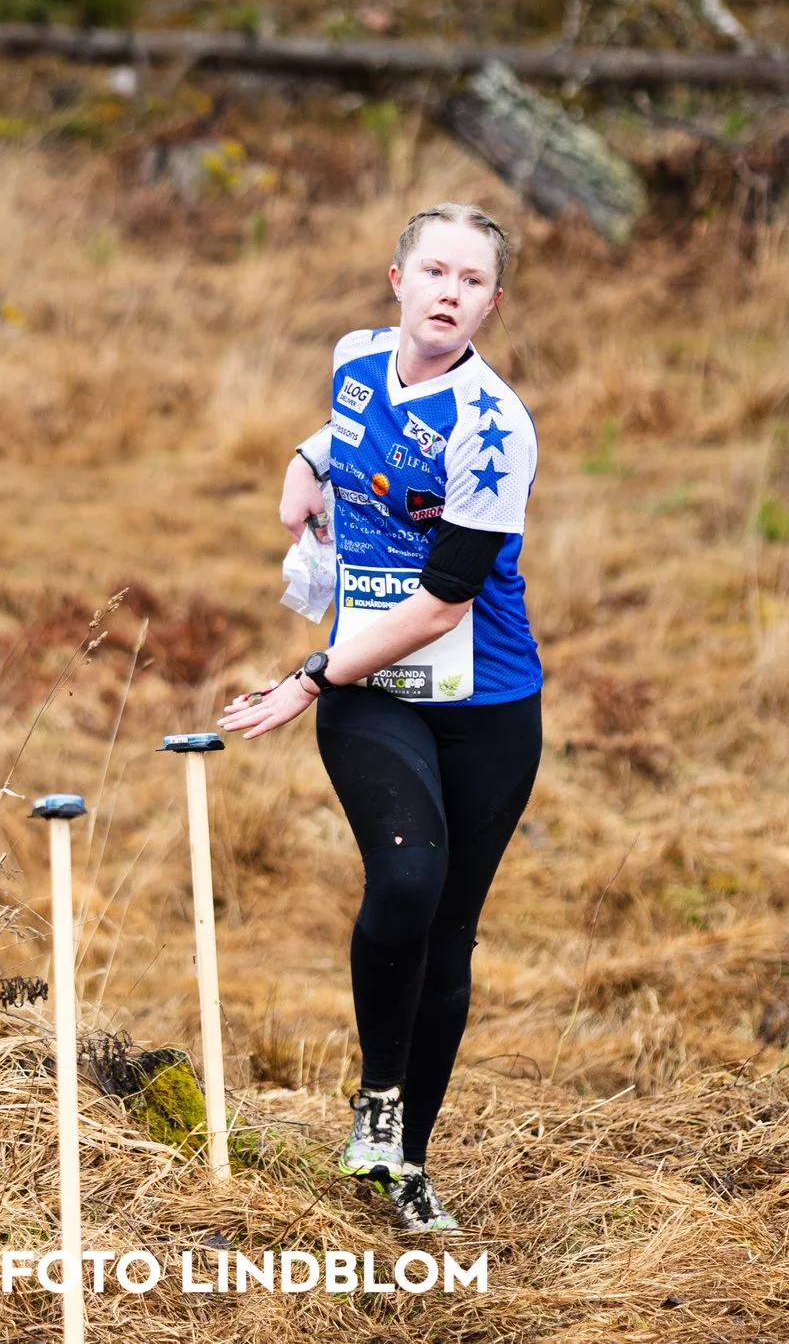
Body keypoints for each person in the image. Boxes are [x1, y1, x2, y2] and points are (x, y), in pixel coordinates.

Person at [220, 201, 544, 1234]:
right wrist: (305, 466)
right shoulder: (356, 357)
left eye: (472, 279)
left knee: (449, 933)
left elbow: (447, 598)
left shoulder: (494, 430)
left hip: (484, 699)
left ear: (492, 302)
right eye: (433, 270)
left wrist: (308, 674)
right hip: (371, 687)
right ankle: (376, 1091)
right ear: (395, 277)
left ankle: (400, 1158)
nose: (449, 291)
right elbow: (348, 423)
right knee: (405, 874)